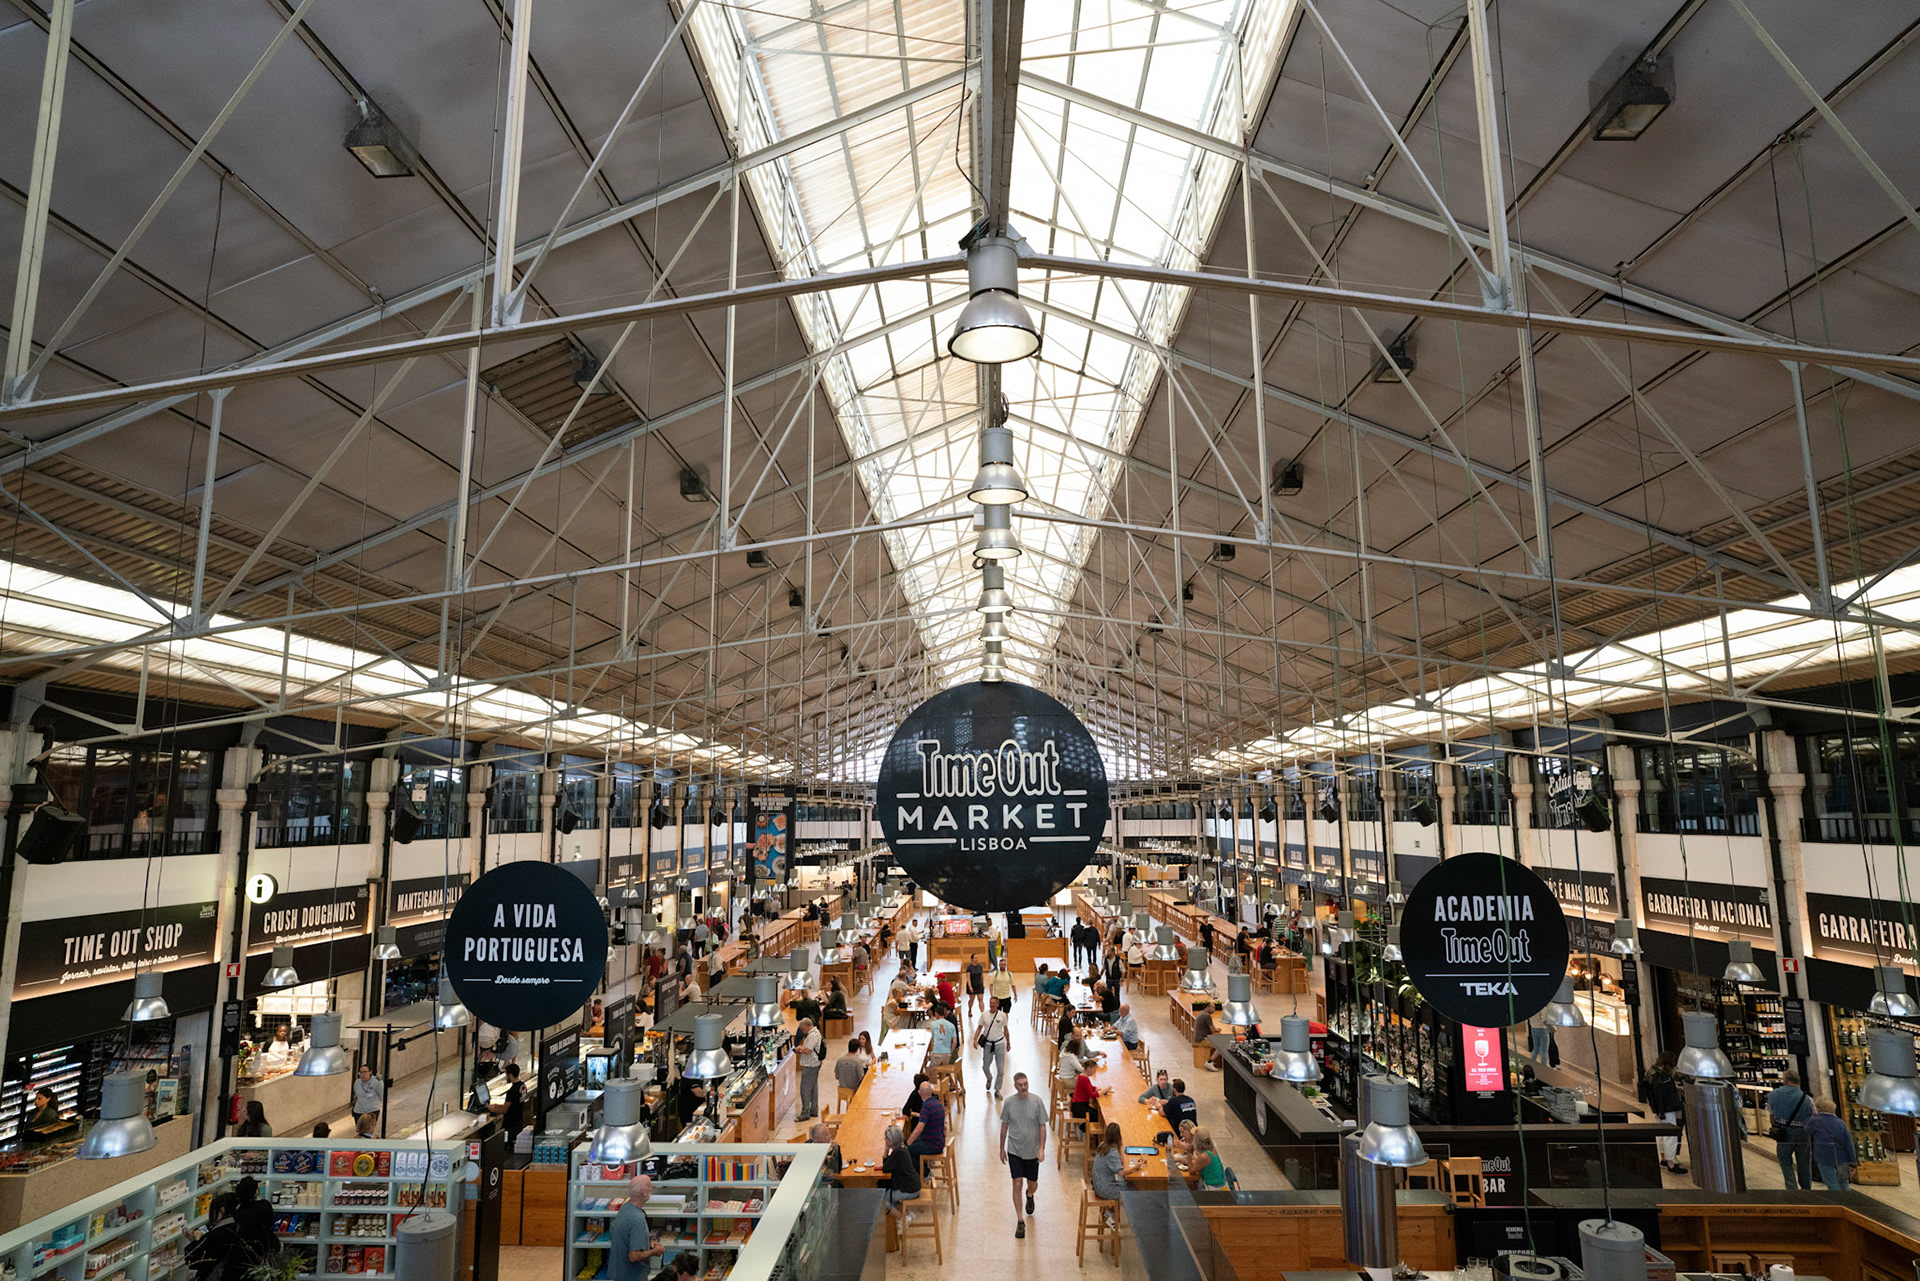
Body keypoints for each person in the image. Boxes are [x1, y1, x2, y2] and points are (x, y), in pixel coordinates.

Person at [998, 1072, 1048, 1240]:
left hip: (1032, 1151)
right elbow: (1005, 1125)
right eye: (1020, 1084)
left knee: (1032, 1184)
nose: (1024, 1087)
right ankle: (1020, 1221)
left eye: (1026, 1083)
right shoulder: (1010, 1103)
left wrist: (1041, 1148)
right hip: (1015, 1150)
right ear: (1015, 1086)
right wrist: (1001, 1148)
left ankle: (1030, 1195)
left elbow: (1042, 1126)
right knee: (1017, 1183)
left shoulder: (1037, 1102)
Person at [187, 1193, 277, 1281]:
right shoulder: (246, 1224)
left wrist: (194, 1242)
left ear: (222, 1210)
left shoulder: (219, 1234)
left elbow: (194, 1261)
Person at [609, 1174, 665, 1281]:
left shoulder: (625, 1208)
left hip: (619, 1273)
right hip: (631, 1276)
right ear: (644, 1192)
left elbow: (628, 1238)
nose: (652, 1189)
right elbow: (634, 1256)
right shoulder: (637, 1219)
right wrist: (655, 1251)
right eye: (650, 1187)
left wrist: (647, 1244)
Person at [1767, 1068, 1814, 1190]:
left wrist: (1775, 1127)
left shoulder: (1773, 1095)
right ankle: (1806, 1189)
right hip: (1803, 1133)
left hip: (1783, 1133)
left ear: (1786, 1081)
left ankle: (1792, 1189)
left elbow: (1771, 1116)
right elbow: (1813, 1118)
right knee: (1804, 1162)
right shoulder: (1807, 1099)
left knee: (1785, 1162)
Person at [1089, 1122, 1145, 1223]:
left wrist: (1120, 1146)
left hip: (1098, 1185)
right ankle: (1116, 1218)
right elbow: (1121, 1172)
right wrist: (1136, 1167)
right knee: (1133, 1192)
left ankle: (1112, 1212)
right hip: (1105, 1188)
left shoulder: (1103, 1146)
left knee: (1131, 1186)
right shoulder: (1112, 1151)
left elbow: (1121, 1162)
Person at [1644, 1053, 1687, 1174]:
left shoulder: (1651, 1072)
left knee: (1661, 1134)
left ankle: (1663, 1158)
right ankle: (1671, 1163)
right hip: (1667, 1109)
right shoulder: (1664, 1077)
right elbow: (1667, 1093)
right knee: (1670, 1135)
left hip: (1657, 1109)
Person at [1805, 1097, 1856, 1192]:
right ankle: (1847, 1201)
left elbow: (1806, 1131)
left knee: (1831, 1182)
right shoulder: (1841, 1123)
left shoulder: (1815, 1120)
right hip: (1842, 1157)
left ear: (1818, 1108)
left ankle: (1836, 1202)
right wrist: (1853, 1162)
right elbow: (1849, 1143)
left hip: (1823, 1156)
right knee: (1844, 1182)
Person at [880, 1125, 922, 1231]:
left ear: (890, 1141)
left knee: (883, 1199)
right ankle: (907, 1212)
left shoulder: (898, 1153)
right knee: (890, 1195)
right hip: (914, 1185)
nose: (884, 1140)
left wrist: (885, 1149)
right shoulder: (902, 1148)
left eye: (886, 1138)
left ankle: (903, 1219)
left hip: (910, 1189)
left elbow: (885, 1168)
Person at [978, 998, 1012, 1096]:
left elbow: (1005, 1030)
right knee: (985, 1067)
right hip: (988, 1044)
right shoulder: (984, 1015)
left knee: (1000, 1069)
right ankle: (989, 1077)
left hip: (999, 1044)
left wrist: (1008, 1043)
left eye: (993, 1003)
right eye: (990, 1003)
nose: (991, 1005)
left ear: (997, 1004)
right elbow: (979, 1027)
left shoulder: (1002, 1016)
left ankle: (997, 1089)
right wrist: (975, 1039)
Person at [906, 1079, 946, 1162]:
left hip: (932, 1145)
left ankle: (925, 1172)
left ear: (919, 1093)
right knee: (913, 1143)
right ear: (931, 1091)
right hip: (940, 1141)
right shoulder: (938, 1103)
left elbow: (919, 1128)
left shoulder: (926, 1107)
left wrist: (907, 1143)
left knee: (907, 1150)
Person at [795, 1017, 824, 1121]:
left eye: (802, 1029)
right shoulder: (815, 1033)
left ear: (806, 1026)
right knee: (813, 1088)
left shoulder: (813, 1035)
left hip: (810, 1065)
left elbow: (808, 1050)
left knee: (805, 1089)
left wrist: (799, 1048)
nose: (802, 1031)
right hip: (814, 1064)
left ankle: (805, 1112)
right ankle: (814, 1109)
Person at [489, 1062, 527, 1141]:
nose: (506, 1077)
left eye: (506, 1075)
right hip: (518, 1122)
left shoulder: (512, 1091)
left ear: (510, 1075)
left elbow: (504, 1110)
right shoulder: (523, 1086)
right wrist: (498, 1106)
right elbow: (515, 1103)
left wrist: (491, 1109)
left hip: (510, 1126)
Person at [352, 1064, 383, 1130]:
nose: (362, 1074)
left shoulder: (377, 1082)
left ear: (370, 1072)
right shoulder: (357, 1082)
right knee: (359, 1130)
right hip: (359, 1110)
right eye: (361, 1072)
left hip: (372, 1110)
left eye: (365, 1072)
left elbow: (381, 1094)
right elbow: (356, 1094)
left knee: (368, 1130)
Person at [1193, 1001, 1222, 1070]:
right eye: (1212, 1008)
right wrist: (1215, 1030)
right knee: (1221, 1045)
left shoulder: (1201, 1012)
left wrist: (1215, 1030)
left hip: (1198, 1037)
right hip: (1202, 1040)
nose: (1214, 1010)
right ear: (1208, 1007)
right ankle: (1210, 1061)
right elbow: (1212, 1030)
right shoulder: (1207, 1016)